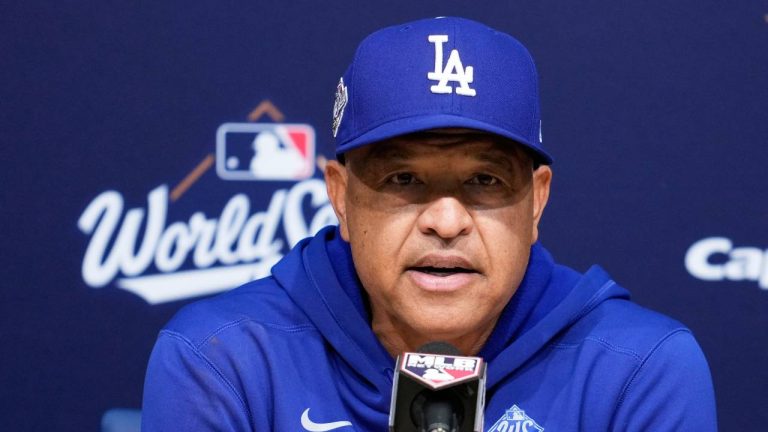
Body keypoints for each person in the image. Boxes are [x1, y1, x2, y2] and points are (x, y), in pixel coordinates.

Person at [142, 17, 717, 431]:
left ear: (537, 201)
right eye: (403, 181)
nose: (446, 221)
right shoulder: (224, 359)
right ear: (340, 197)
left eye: (485, 181)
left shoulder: (640, 367)